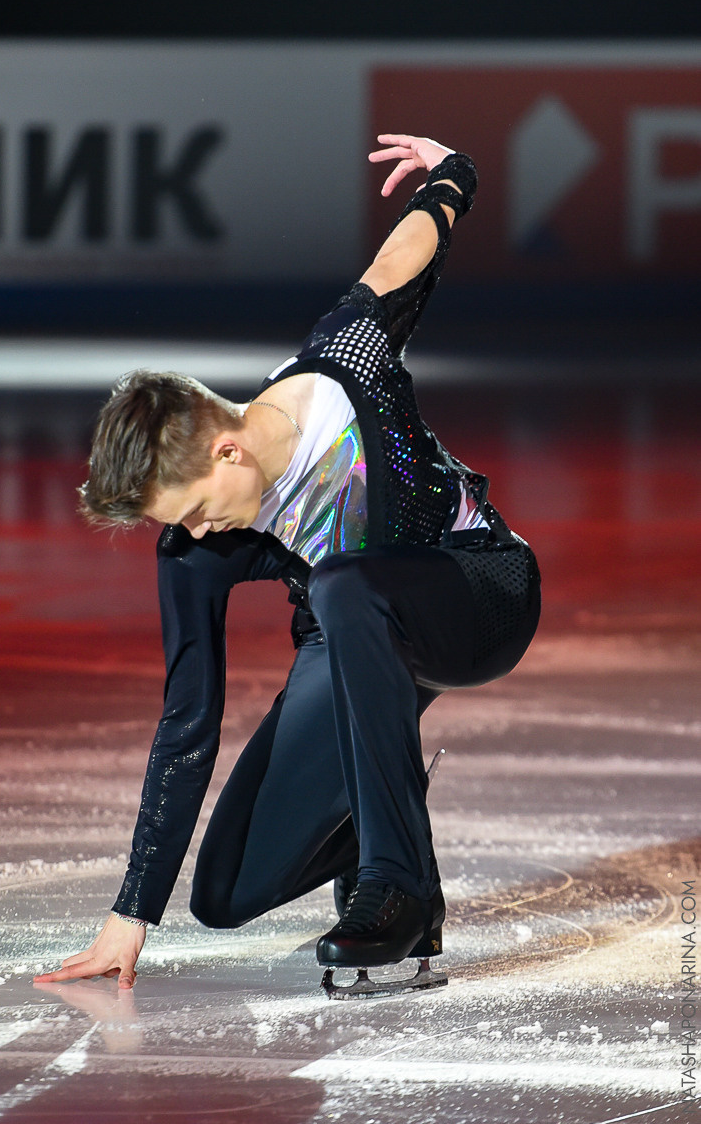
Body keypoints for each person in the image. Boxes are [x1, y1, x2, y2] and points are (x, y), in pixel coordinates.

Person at [35, 134, 541, 991]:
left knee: (344, 587)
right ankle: (392, 827)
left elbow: (402, 254)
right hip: (356, 641)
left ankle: (398, 888)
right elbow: (186, 724)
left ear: (228, 451)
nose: (191, 538)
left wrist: (455, 172)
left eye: (191, 510)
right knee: (227, 891)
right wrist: (132, 911)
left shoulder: (347, 363)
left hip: (477, 587)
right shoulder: (195, 548)